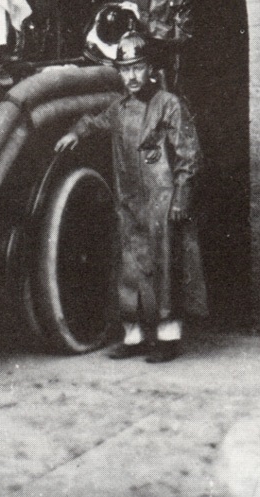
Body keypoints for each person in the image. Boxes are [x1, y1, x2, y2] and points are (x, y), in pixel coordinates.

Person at [55, 31, 206, 363]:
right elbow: (95, 122)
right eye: (125, 70)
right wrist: (75, 132)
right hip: (130, 202)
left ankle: (168, 338)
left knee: (165, 267)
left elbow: (189, 155)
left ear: (150, 67)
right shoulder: (120, 109)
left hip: (162, 200)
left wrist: (181, 195)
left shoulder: (169, 105)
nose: (132, 76)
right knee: (130, 268)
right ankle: (133, 337)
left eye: (138, 68)